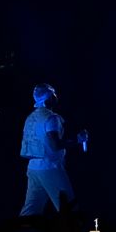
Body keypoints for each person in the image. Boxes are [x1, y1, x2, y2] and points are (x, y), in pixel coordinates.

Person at [19, 83, 85, 217]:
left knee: (31, 210)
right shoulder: (51, 118)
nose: (56, 96)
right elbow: (55, 145)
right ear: (48, 98)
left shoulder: (30, 118)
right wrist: (78, 140)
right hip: (50, 168)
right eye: (53, 94)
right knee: (69, 207)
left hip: (33, 169)